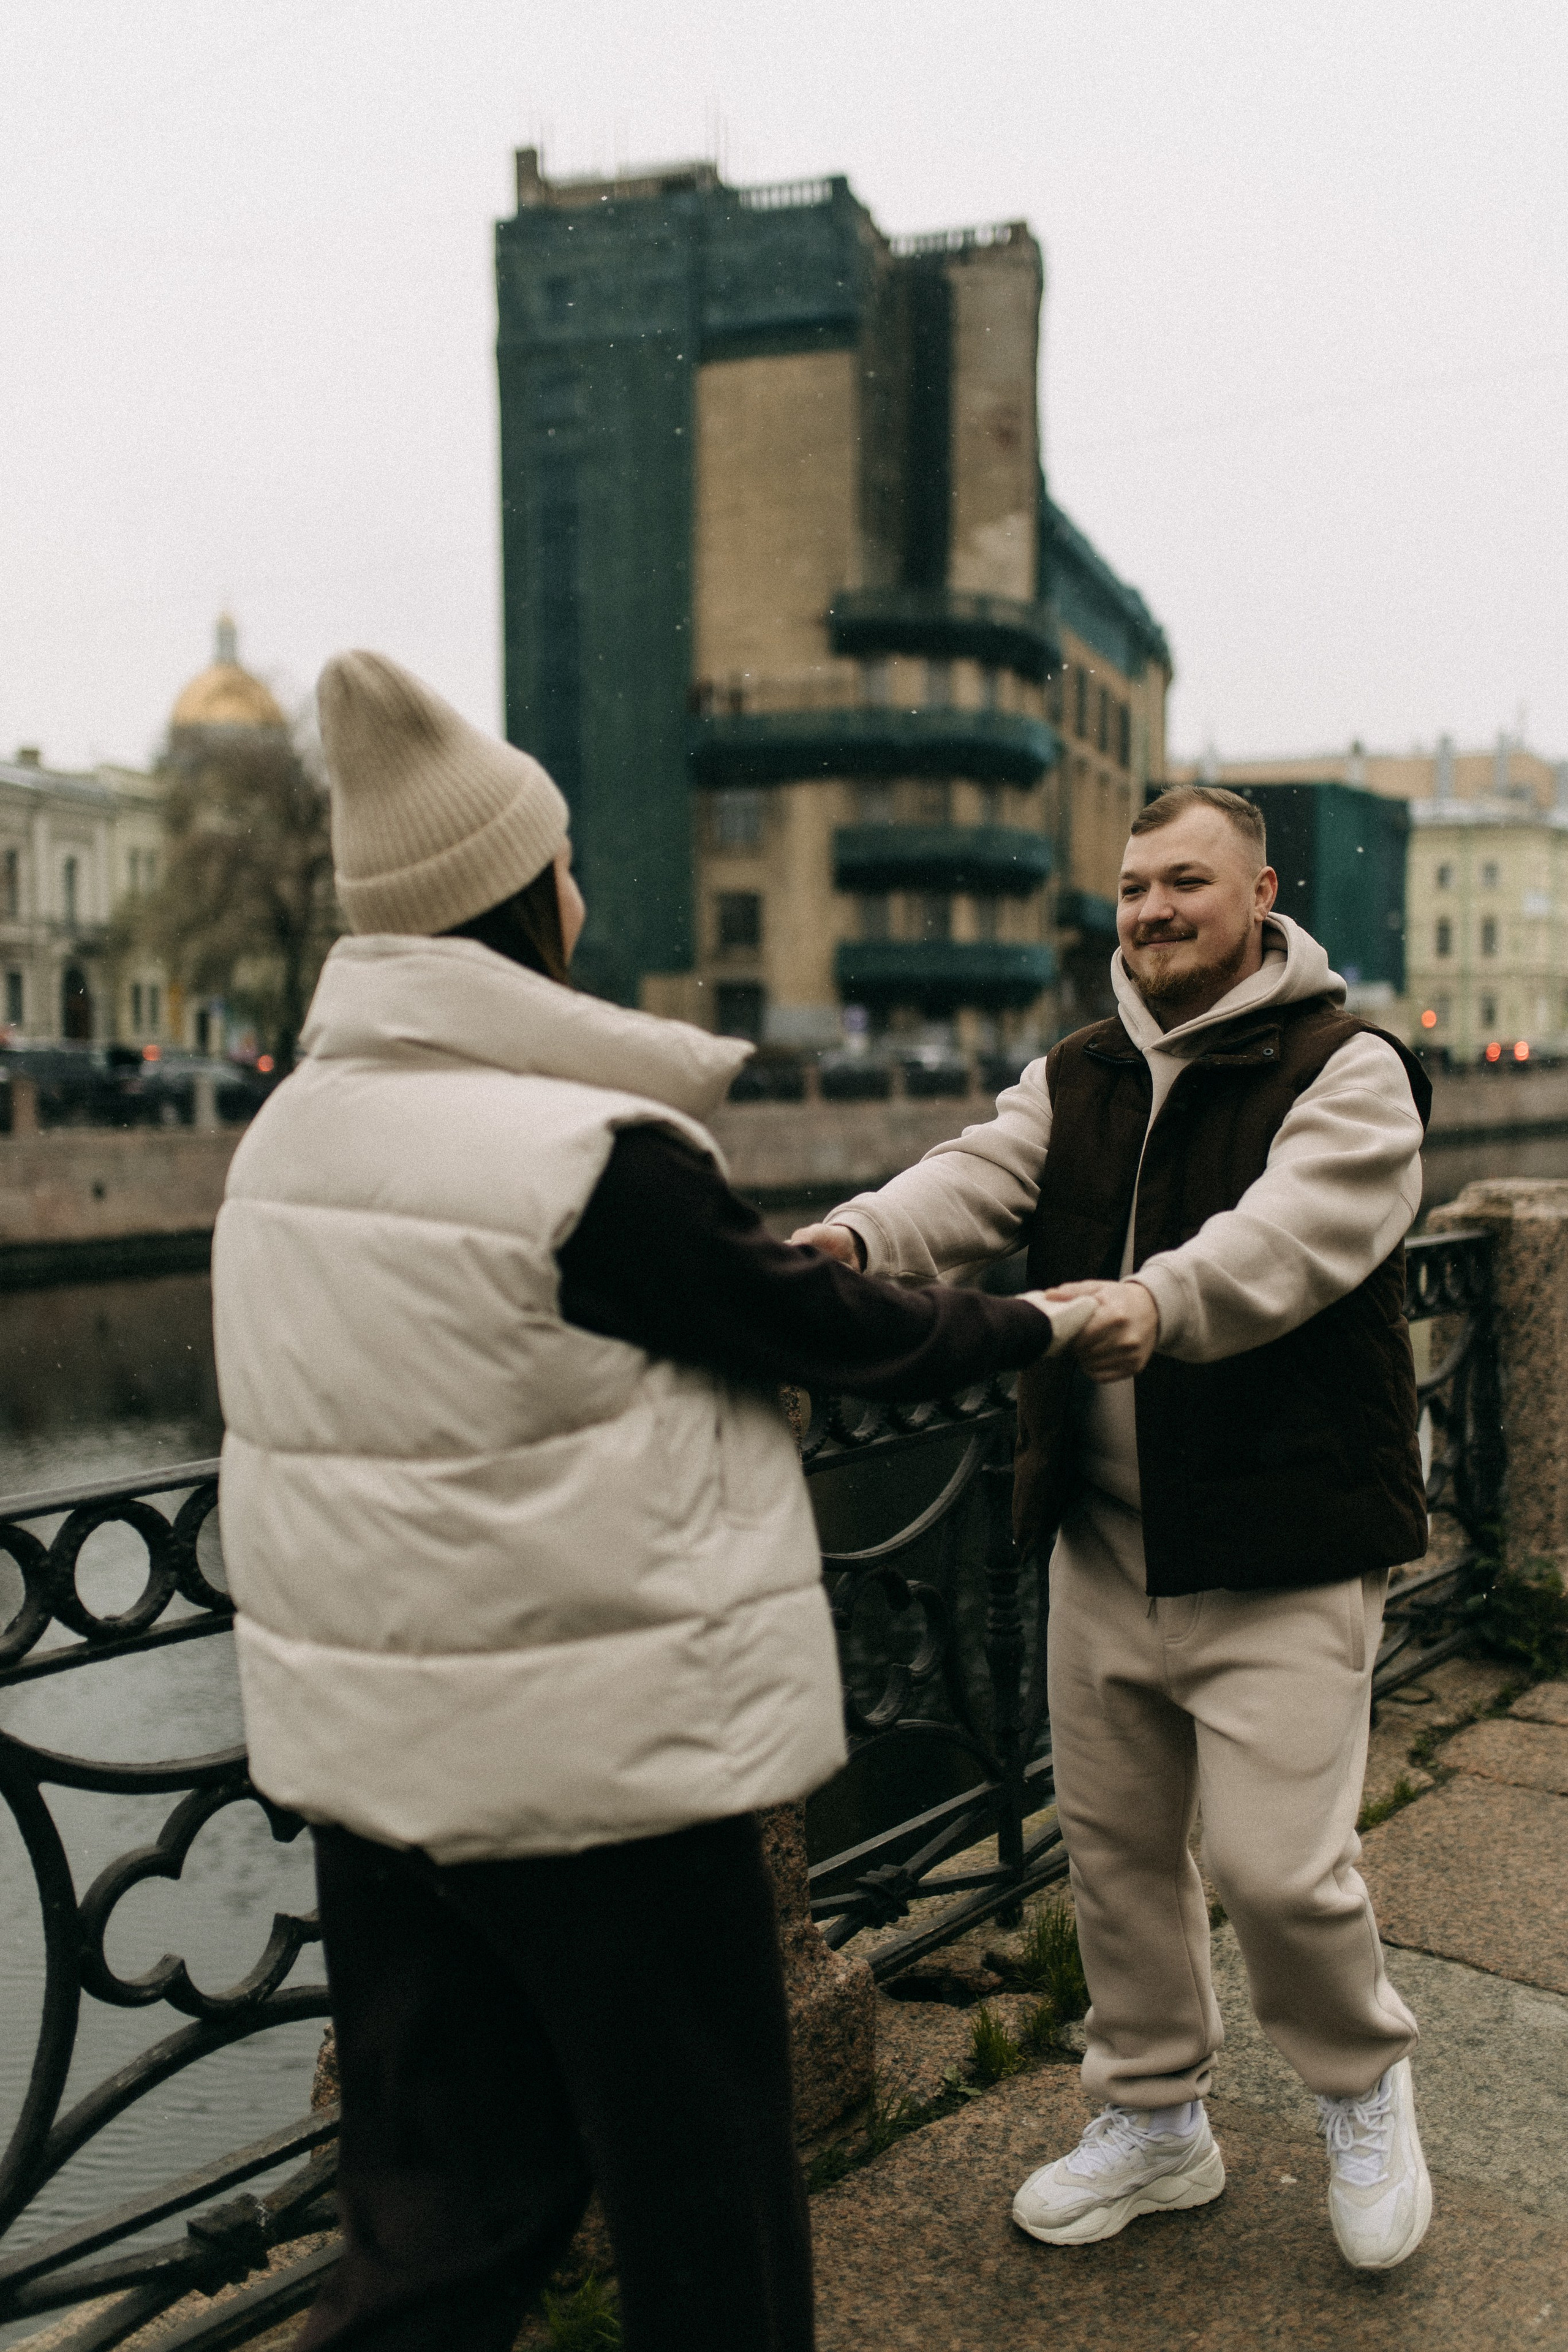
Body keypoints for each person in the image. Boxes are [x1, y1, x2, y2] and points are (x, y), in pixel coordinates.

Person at [210, 650, 1081, 2352]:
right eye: (563, 863)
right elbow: (820, 1327)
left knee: (443, 2219)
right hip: (592, 1773)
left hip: (379, 1775)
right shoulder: (580, 1155)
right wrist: (1045, 1320)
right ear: (528, 901)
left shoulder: (288, 1137)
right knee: (706, 2207)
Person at [793, 783, 1434, 2274]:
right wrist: (849, 1243)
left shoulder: (1347, 1071)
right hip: (1102, 1541)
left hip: (1281, 1540)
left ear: (1259, 894)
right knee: (1117, 1858)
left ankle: (1358, 2084)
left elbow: (1295, 1240)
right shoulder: (1077, 1070)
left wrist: (1158, 1302)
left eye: (1184, 883)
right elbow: (972, 1178)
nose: (1148, 910)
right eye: (1133, 886)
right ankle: (1155, 2121)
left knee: (1282, 1869)